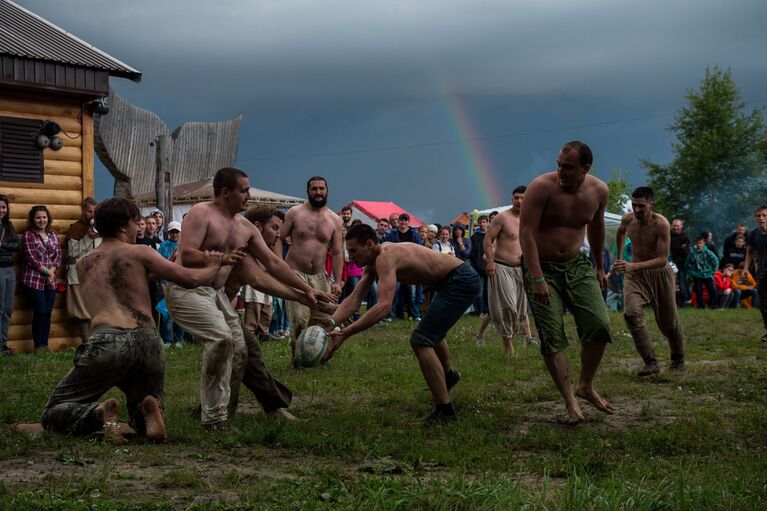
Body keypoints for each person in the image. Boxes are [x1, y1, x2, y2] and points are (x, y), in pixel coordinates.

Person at [40, 197, 229, 444]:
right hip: (147, 340)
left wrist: (157, 268)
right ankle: (147, 410)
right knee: (143, 407)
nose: (138, 227)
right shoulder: (141, 252)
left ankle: (99, 414)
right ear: (122, 227)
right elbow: (189, 279)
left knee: (53, 412)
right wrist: (214, 266)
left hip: (107, 341)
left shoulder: (85, 263)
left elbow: (116, 282)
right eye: (135, 222)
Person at [168, 167, 326, 429]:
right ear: (226, 192)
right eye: (244, 190)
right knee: (222, 341)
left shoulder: (244, 228)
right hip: (188, 290)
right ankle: (215, 419)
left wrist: (305, 290)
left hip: (215, 294)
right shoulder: (201, 212)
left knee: (240, 352)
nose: (249, 196)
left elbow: (274, 265)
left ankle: (221, 414)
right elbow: (187, 255)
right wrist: (217, 259)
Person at [323, 224, 480, 426]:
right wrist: (330, 324)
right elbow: (354, 299)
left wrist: (346, 333)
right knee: (432, 332)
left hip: (461, 280)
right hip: (452, 280)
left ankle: (445, 411)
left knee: (421, 340)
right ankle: (448, 376)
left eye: (353, 250)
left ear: (369, 244)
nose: (350, 256)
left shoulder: (385, 257)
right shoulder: (374, 260)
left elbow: (384, 307)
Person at [519, 141, 614, 425]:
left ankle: (585, 385)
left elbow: (596, 228)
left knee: (600, 325)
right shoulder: (541, 187)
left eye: (568, 167)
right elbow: (525, 233)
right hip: (541, 266)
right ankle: (570, 401)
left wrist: (599, 266)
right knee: (552, 334)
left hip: (577, 265)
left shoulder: (599, 191)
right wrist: (537, 277)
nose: (560, 171)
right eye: (559, 164)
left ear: (586, 168)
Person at [224, 204, 336, 421]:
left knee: (245, 354)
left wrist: (308, 291)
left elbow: (275, 269)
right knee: (242, 354)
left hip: (222, 311)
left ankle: (266, 407)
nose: (279, 234)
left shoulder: (253, 251)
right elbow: (261, 281)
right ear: (257, 227)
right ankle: (224, 411)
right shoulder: (242, 251)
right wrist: (305, 294)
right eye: (274, 228)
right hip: (211, 309)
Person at [613, 187, 685, 376]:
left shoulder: (661, 224)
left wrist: (631, 266)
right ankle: (650, 362)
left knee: (668, 323)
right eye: (634, 205)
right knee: (631, 313)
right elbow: (620, 233)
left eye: (641, 206)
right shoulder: (628, 219)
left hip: (660, 274)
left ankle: (678, 359)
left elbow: (662, 259)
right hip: (635, 275)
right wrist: (619, 259)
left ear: (651, 204)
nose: (637, 210)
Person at [281, 176, 344, 364]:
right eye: (314, 189)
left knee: (324, 320)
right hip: (295, 273)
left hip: (320, 276)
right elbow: (278, 237)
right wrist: (278, 265)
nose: (318, 192)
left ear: (327, 190)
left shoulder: (335, 219)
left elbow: (338, 252)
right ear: (307, 191)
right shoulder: (294, 213)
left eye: (321, 189)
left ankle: (320, 356)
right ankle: (297, 359)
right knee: (300, 320)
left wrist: (338, 281)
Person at [481, 186, 535, 355]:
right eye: (516, 198)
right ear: (512, 199)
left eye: (523, 198)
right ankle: (508, 341)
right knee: (508, 306)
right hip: (502, 267)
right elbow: (488, 239)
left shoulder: (531, 219)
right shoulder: (503, 218)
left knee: (520, 309)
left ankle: (513, 336)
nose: (519, 201)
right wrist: (490, 262)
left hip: (522, 269)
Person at [20, 205, 62, 353]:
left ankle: (45, 345)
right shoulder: (28, 235)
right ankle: (38, 347)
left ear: (48, 218)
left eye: (44, 217)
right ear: (33, 219)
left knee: (48, 312)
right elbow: (32, 260)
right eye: (38, 217)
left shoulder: (52, 234)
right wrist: (49, 274)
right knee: (41, 311)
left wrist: (52, 272)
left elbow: (58, 256)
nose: (42, 220)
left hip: (49, 280)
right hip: (33, 280)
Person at [65, 197, 100, 343]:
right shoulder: (76, 228)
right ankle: (87, 343)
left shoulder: (101, 228)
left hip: (96, 274)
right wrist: (87, 237)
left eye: (94, 212)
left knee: (96, 308)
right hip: (78, 274)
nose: (92, 215)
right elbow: (73, 252)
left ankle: (96, 342)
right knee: (82, 310)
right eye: (89, 211)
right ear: (83, 211)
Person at [385, 213, 423, 320]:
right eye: (402, 220)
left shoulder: (414, 234)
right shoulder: (392, 234)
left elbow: (419, 249)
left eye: (406, 220)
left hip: (410, 267)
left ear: (408, 222)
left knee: (413, 293)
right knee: (393, 292)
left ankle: (415, 315)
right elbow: (387, 248)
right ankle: (390, 315)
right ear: (399, 221)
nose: (403, 222)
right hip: (396, 267)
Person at [157, 221, 185, 347]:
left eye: (176, 232)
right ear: (168, 233)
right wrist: (162, 285)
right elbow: (159, 266)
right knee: (167, 315)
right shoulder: (163, 246)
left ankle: (179, 339)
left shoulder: (184, 247)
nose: (174, 235)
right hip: (167, 284)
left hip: (181, 285)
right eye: (172, 232)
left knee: (181, 314)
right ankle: (167, 339)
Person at [0, 194, 20, 356]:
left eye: (4, 207)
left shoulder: (8, 226)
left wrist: (3, 245)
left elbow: (17, 245)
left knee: (7, 309)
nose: (1, 210)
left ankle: (3, 344)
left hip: (9, 269)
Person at [743, 204, 767, 341]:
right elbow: (750, 252)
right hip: (762, 272)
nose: (761, 218)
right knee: (763, 303)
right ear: (755, 218)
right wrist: (746, 268)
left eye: (764, 215)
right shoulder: (753, 234)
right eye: (758, 216)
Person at [686, 236, 719, 309]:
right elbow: (687, 265)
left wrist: (712, 272)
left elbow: (716, 261)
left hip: (708, 274)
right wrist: (694, 273)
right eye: (697, 243)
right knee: (698, 291)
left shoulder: (708, 252)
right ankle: (700, 306)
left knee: (712, 290)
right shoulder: (692, 253)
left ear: (704, 243)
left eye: (700, 243)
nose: (699, 245)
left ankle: (713, 305)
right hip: (698, 275)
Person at [469, 215, 489, 316]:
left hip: (489, 268)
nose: (482, 224)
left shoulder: (491, 236)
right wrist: (478, 266)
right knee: (480, 291)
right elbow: (472, 255)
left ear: (488, 223)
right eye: (480, 222)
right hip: (479, 268)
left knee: (488, 290)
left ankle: (487, 310)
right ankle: (480, 310)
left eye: (484, 222)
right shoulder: (474, 237)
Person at [670, 219, 691, 306]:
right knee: (670, 283)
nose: (676, 227)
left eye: (677, 226)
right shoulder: (669, 235)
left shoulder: (685, 237)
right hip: (671, 262)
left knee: (682, 283)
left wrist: (675, 248)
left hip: (682, 263)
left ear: (681, 226)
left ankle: (684, 302)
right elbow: (670, 248)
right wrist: (680, 248)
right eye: (674, 225)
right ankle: (671, 302)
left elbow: (686, 251)